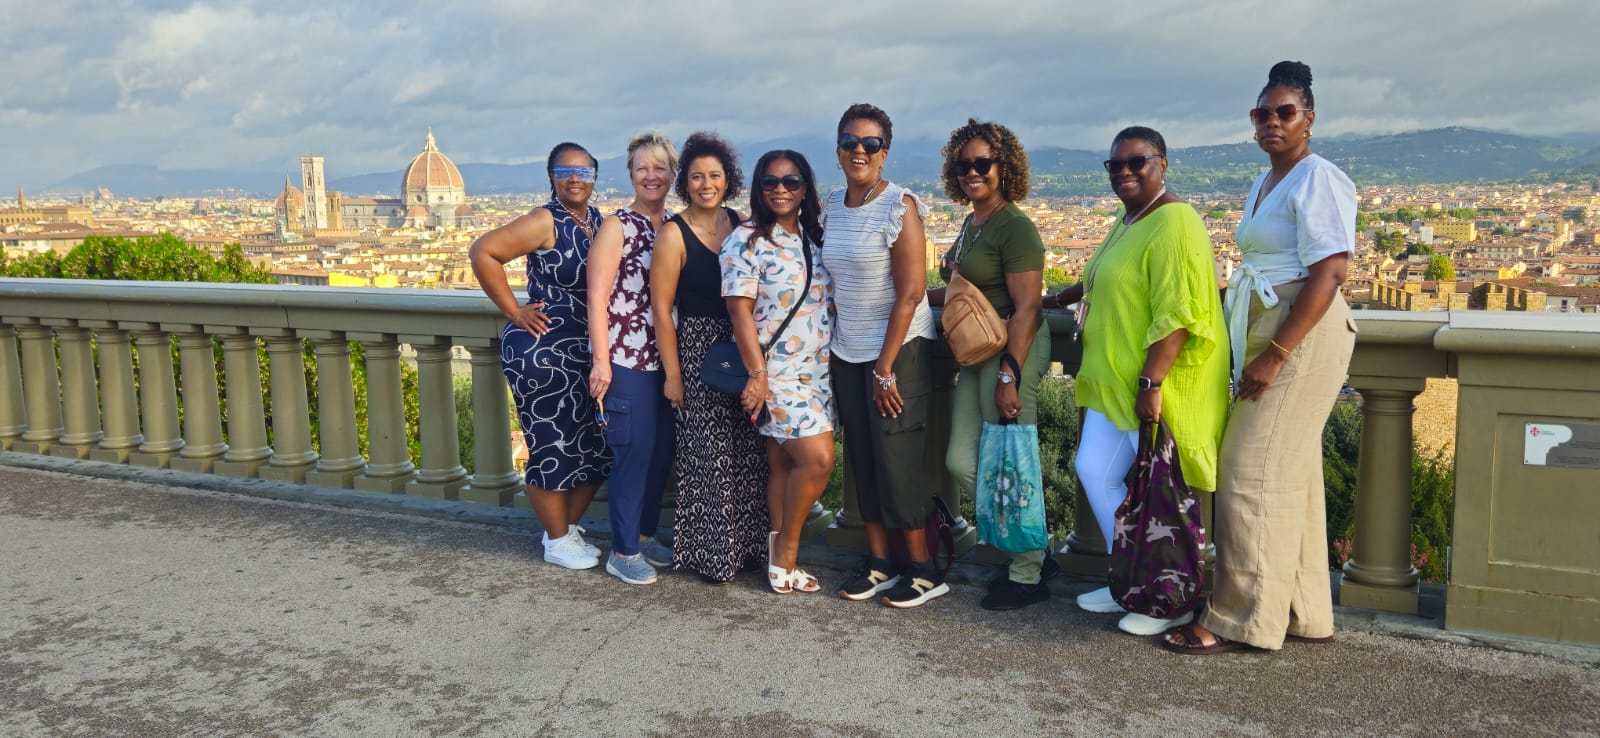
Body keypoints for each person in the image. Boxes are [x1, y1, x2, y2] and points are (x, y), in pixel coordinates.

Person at [1164, 61, 1358, 655]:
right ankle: (1303, 611)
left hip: (1300, 330)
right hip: (1273, 322)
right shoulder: (1267, 180)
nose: (1271, 122)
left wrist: (1275, 353)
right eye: (1262, 113)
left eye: (1285, 112)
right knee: (1290, 475)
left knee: (1247, 472)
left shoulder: (1318, 177)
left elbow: (1330, 272)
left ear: (1309, 119)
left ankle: (1239, 618)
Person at [1042, 126, 1229, 635]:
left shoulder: (1176, 222)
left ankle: (1171, 601)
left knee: (1161, 494)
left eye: (1136, 162)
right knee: (1096, 472)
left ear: (1162, 164)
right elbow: (1109, 274)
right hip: (1114, 378)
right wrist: (1062, 297)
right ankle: (1129, 578)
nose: (1123, 171)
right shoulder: (1130, 220)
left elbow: (1179, 312)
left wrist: (1152, 383)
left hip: (1153, 383)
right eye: (1115, 165)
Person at [820, 104, 946, 608]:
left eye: (870, 143)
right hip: (846, 349)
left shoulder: (900, 205)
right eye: (850, 141)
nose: (859, 150)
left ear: (884, 152)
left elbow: (912, 291)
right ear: (838, 150)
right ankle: (879, 562)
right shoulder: (831, 204)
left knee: (897, 457)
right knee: (863, 459)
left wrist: (885, 367)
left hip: (898, 353)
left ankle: (922, 567)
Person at [927, 119, 1051, 611]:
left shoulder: (1015, 226)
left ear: (1005, 168)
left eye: (982, 164)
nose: (972, 172)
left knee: (1013, 461)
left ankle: (1028, 571)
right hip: (975, 350)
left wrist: (1010, 374)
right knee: (962, 459)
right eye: (963, 165)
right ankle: (1025, 545)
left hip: (1012, 351)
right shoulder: (972, 221)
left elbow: (1029, 308)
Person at [469, 142, 609, 570]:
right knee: (552, 444)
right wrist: (514, 311)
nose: (574, 178)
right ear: (551, 175)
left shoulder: (596, 220)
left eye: (583, 172)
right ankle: (556, 538)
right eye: (565, 170)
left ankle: (564, 530)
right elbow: (483, 252)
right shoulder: (545, 220)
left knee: (596, 448)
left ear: (595, 178)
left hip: (583, 351)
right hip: (543, 351)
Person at [651, 132, 771, 584]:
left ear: (728, 179)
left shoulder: (742, 223)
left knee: (747, 449)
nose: (707, 184)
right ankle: (713, 556)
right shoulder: (673, 234)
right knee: (707, 453)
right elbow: (662, 309)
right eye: (698, 176)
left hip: (742, 345)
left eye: (715, 175)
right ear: (685, 182)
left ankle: (749, 551)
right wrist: (673, 374)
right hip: (699, 349)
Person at [722, 150, 834, 594]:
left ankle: (778, 562)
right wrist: (757, 374)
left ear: (806, 187)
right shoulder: (746, 239)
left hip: (818, 370)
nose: (781, 189)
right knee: (819, 459)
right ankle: (787, 551)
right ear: (758, 188)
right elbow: (739, 313)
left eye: (791, 182)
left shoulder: (814, 236)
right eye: (771, 182)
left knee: (785, 464)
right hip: (774, 371)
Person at [586, 132, 679, 585]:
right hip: (626, 359)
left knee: (660, 453)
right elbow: (597, 296)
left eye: (660, 167)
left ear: (672, 174)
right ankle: (622, 551)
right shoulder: (616, 227)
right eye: (643, 167)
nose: (651, 175)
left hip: (666, 361)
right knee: (633, 453)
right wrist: (601, 361)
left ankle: (642, 537)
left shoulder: (675, 227)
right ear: (630, 174)